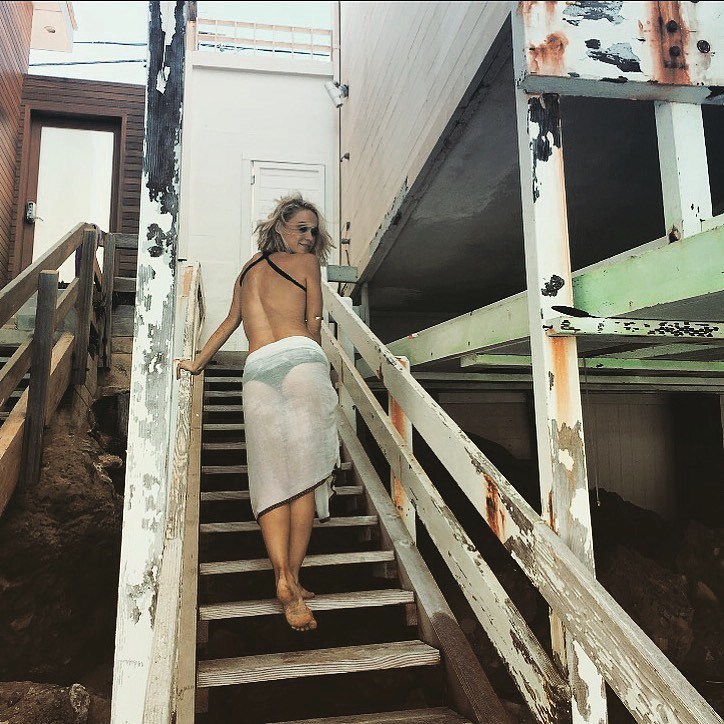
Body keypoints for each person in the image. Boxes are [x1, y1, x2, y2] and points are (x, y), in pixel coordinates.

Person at [177, 194, 339, 632]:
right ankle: (291, 579)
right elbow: (314, 323)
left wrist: (196, 363)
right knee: (303, 478)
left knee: (270, 477)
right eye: (302, 228)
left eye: (313, 231)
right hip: (301, 359)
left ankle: (284, 579)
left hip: (257, 370)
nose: (310, 237)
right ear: (281, 226)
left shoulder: (248, 269)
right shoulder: (307, 265)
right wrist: (323, 368)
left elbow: (230, 321)